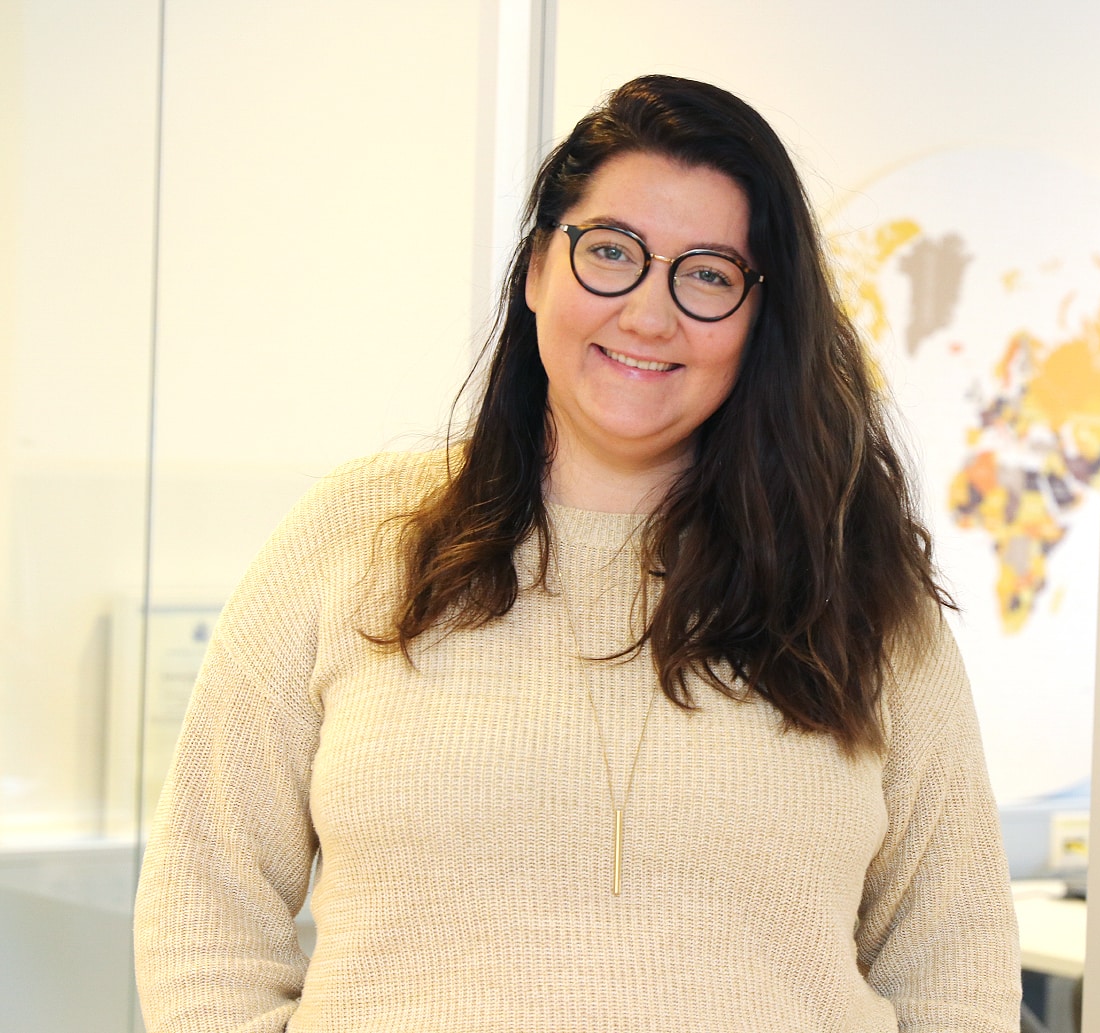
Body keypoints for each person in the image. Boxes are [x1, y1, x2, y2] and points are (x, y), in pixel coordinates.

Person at [134, 74, 1020, 1032]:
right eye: (611, 252)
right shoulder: (356, 535)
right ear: (536, 271)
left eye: (709, 275)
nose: (648, 314)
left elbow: (956, 971)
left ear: (761, 319)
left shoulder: (856, 588)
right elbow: (203, 908)